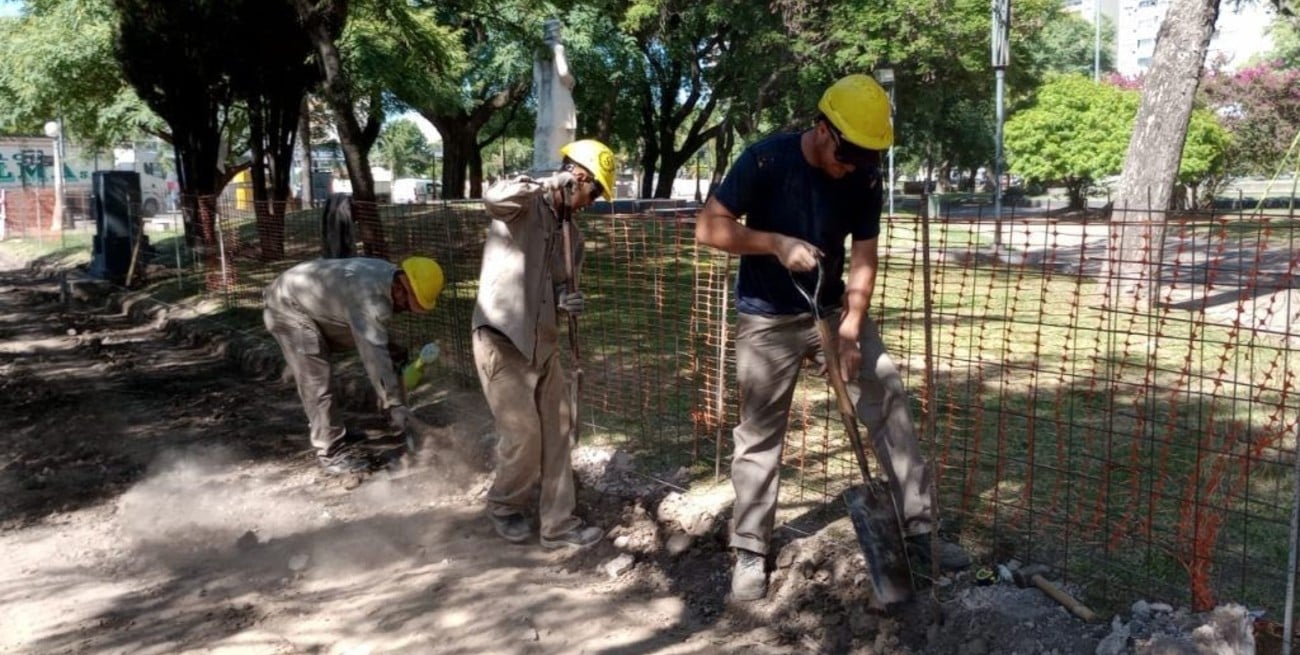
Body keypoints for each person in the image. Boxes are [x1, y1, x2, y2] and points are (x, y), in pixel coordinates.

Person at [694, 74, 971, 602]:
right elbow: (709, 228)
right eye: (847, 156)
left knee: (888, 398)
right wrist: (773, 243)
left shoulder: (864, 178)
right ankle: (751, 550)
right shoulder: (766, 161)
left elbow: (864, 254)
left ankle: (918, 530)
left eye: (866, 161)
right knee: (759, 433)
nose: (852, 168)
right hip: (767, 317)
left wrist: (849, 326)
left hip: (832, 308)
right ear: (822, 129)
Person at [472, 138, 615, 550]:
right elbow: (492, 196)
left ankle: (559, 526)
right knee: (524, 437)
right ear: (578, 177)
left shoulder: (574, 237)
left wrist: (566, 299)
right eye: (595, 191)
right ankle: (504, 506)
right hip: (501, 339)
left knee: (558, 434)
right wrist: (541, 183)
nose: (595, 201)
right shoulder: (522, 207)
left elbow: (555, 286)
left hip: (544, 345)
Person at [263, 256, 444, 474]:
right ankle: (330, 451)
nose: (405, 310)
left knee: (384, 353)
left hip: (310, 301)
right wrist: (395, 403)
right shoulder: (368, 298)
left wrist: (392, 355)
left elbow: (372, 336)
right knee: (316, 380)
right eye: (408, 304)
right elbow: (373, 353)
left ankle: (334, 429)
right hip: (287, 308)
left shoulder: (385, 278)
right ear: (400, 288)